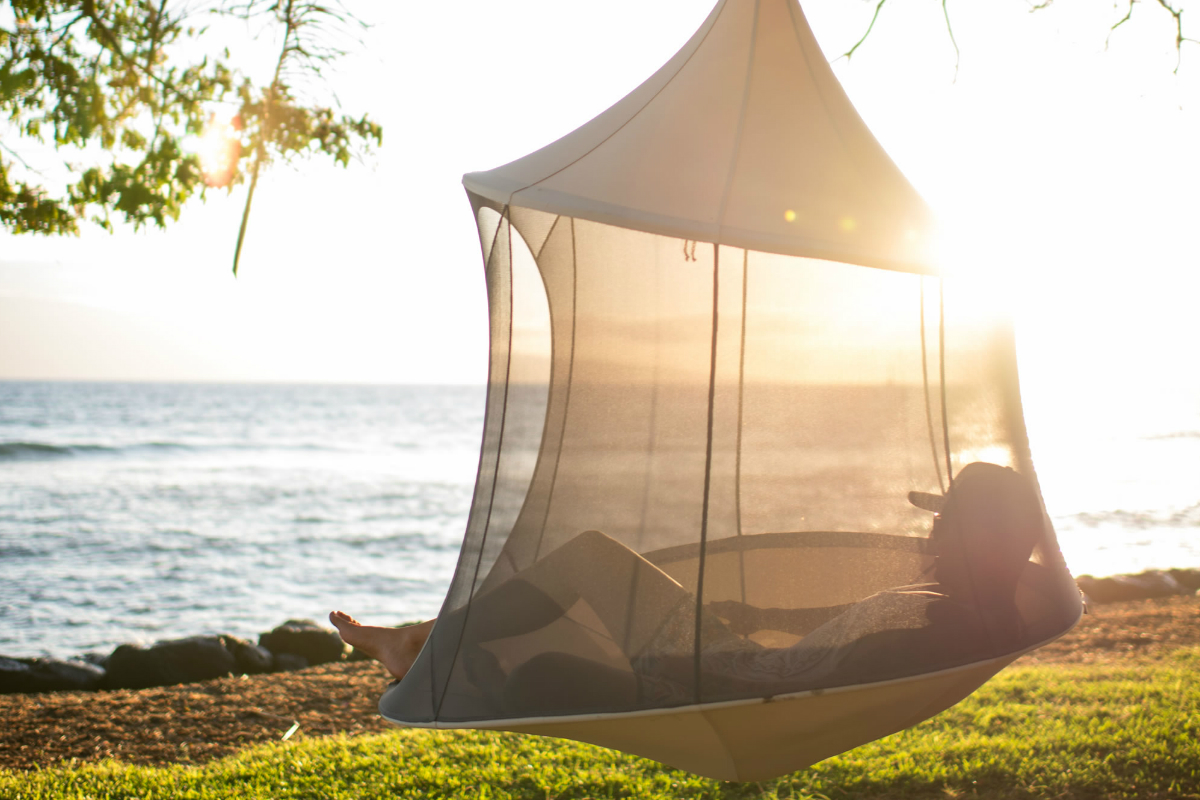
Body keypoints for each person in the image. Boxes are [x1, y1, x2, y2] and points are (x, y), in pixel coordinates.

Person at [332, 461, 1047, 712]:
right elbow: (849, 630)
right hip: (737, 663)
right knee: (587, 571)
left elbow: (846, 674)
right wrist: (762, 612)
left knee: (550, 657)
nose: (930, 535)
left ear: (978, 539)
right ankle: (427, 652)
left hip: (728, 684)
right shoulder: (950, 605)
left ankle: (423, 653)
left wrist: (697, 671)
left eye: (945, 522)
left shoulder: (955, 623)